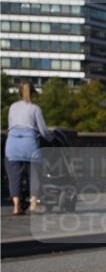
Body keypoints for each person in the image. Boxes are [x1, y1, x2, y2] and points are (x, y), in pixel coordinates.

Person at [4, 81, 53, 215]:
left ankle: (16, 206)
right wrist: (51, 138)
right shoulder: (35, 109)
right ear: (32, 93)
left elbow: (10, 127)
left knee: (14, 177)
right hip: (29, 145)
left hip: (12, 145)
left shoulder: (12, 107)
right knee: (35, 174)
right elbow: (43, 131)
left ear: (19, 93)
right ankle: (33, 205)